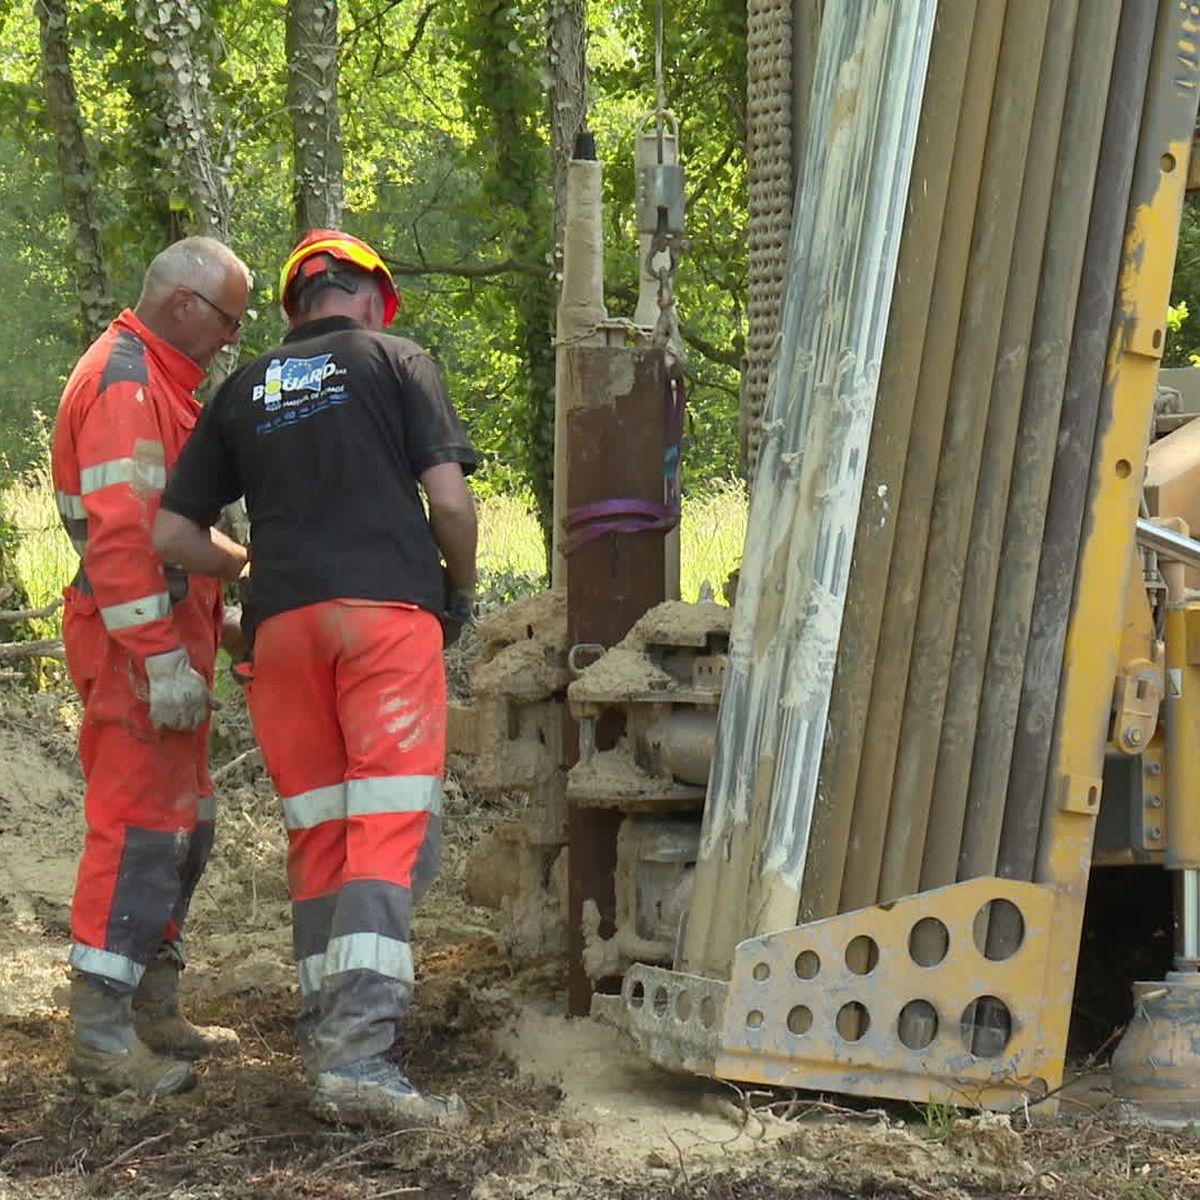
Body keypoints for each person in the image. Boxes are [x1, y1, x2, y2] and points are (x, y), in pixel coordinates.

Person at [154, 229, 478, 1127]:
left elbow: (173, 536)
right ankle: (361, 1060)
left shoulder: (240, 387)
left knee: (321, 831)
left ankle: (324, 1034)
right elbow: (448, 501)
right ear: (371, 298)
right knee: (386, 826)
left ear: (295, 305)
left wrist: (256, 571)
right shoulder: (397, 359)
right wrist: (463, 591)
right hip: (385, 617)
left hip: (281, 629)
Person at [50, 236, 253, 1097]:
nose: (231, 341)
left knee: (183, 828)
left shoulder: (159, 381)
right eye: (229, 322)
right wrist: (163, 659)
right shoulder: (128, 385)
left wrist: (226, 585)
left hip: (162, 640)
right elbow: (126, 542)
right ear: (184, 306)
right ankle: (100, 1034)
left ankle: (150, 1002)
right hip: (137, 647)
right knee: (139, 831)